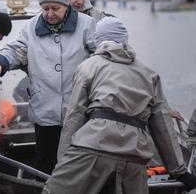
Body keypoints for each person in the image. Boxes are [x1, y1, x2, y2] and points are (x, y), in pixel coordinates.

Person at [42, 16, 196, 194]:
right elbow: (163, 125)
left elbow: (74, 116)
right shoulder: (149, 74)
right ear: (125, 40)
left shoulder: (88, 66)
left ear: (98, 40)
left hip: (93, 146)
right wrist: (179, 171)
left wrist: (64, 161)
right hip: (135, 156)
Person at [0, 0, 97, 175]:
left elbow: (99, 55)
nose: (49, 13)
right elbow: (16, 50)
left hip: (77, 111)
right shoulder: (31, 26)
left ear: (66, 5)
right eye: (45, 8)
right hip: (45, 111)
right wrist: (0, 63)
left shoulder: (86, 25)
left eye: (55, 8)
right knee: (46, 165)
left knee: (78, 165)